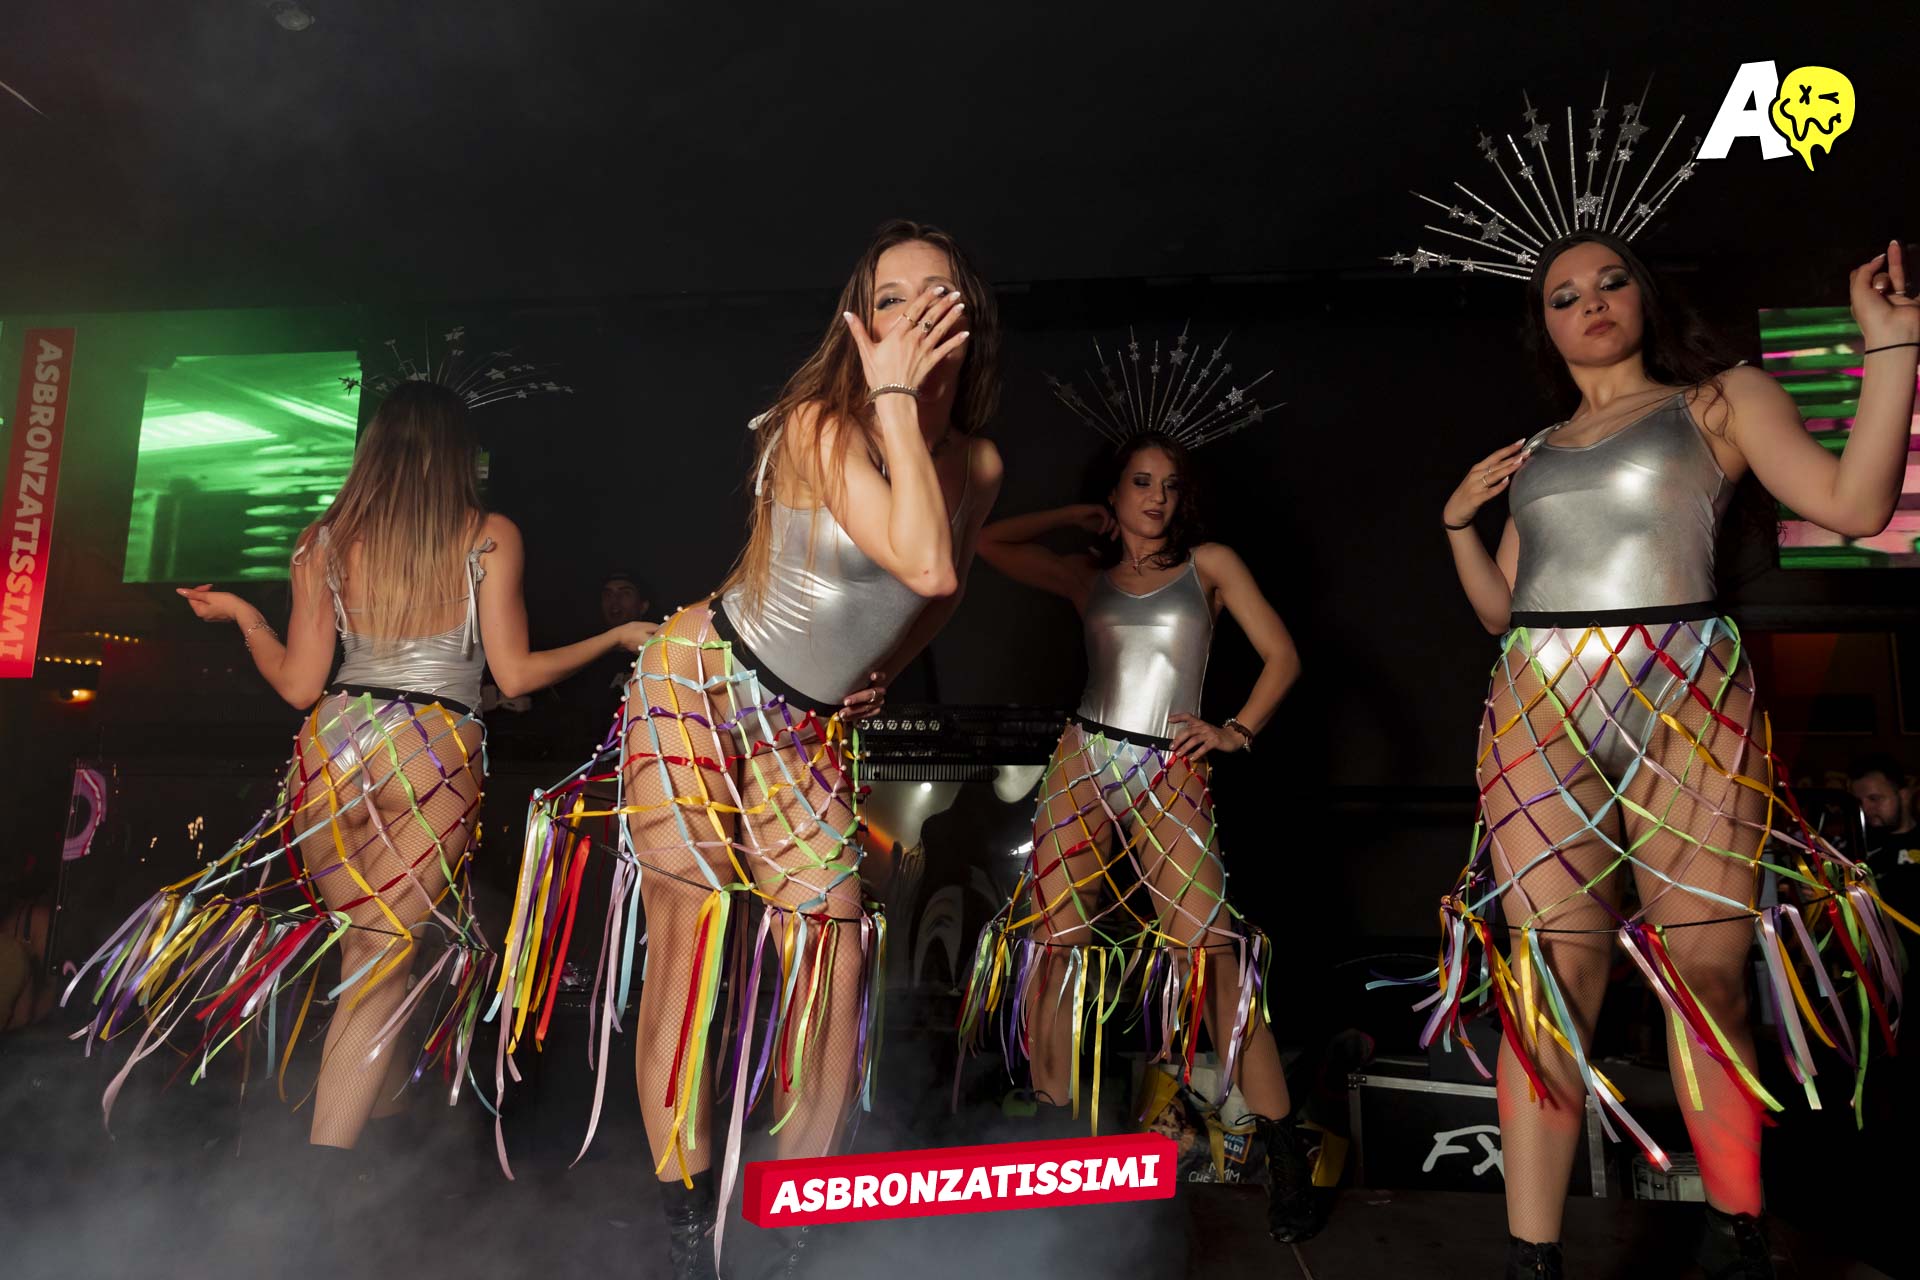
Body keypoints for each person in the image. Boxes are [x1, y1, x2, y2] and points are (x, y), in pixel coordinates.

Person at [494, 220, 1003, 1279]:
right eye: (891, 298)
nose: (914, 313)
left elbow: (941, 589)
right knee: (690, 940)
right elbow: (924, 562)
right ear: (861, 323)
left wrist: (889, 663)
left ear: (970, 318)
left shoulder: (978, 464)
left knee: (836, 958)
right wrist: (894, 395)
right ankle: (688, 1227)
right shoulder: (819, 423)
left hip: (809, 731)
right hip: (703, 686)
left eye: (937, 294)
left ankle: (790, 1229)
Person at [1436, 231, 1917, 1280]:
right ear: (1544, 327)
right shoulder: (1536, 454)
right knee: (1550, 982)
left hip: (1686, 693)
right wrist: (1459, 525)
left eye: (1611, 281)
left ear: (1646, 296)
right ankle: (1533, 1258)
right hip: (1538, 702)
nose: (1592, 302)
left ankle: (1737, 1233)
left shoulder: (1720, 400)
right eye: (1565, 294)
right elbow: (1502, 613)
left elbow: (1857, 505)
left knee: (1707, 977)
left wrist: (1892, 346)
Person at [70, 378, 654, 1158]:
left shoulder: (323, 540)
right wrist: (612, 640)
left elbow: (299, 686)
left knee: (370, 957)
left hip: (335, 745)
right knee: (380, 960)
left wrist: (246, 618)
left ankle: (366, 1153)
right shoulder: (488, 535)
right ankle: (326, 1176)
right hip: (430, 748)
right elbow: (514, 674)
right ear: (457, 454)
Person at [956, 425, 1326, 1244]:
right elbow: (986, 541)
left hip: (1170, 771)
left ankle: (1282, 1150)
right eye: (1140, 482)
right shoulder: (1087, 578)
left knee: (1212, 955)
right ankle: (1057, 1152)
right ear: (1114, 493)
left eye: (1169, 484)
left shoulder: (1210, 565)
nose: (1157, 497)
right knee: (1055, 951)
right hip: (1083, 762)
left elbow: (1283, 657)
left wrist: (1236, 731)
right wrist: (1072, 514)